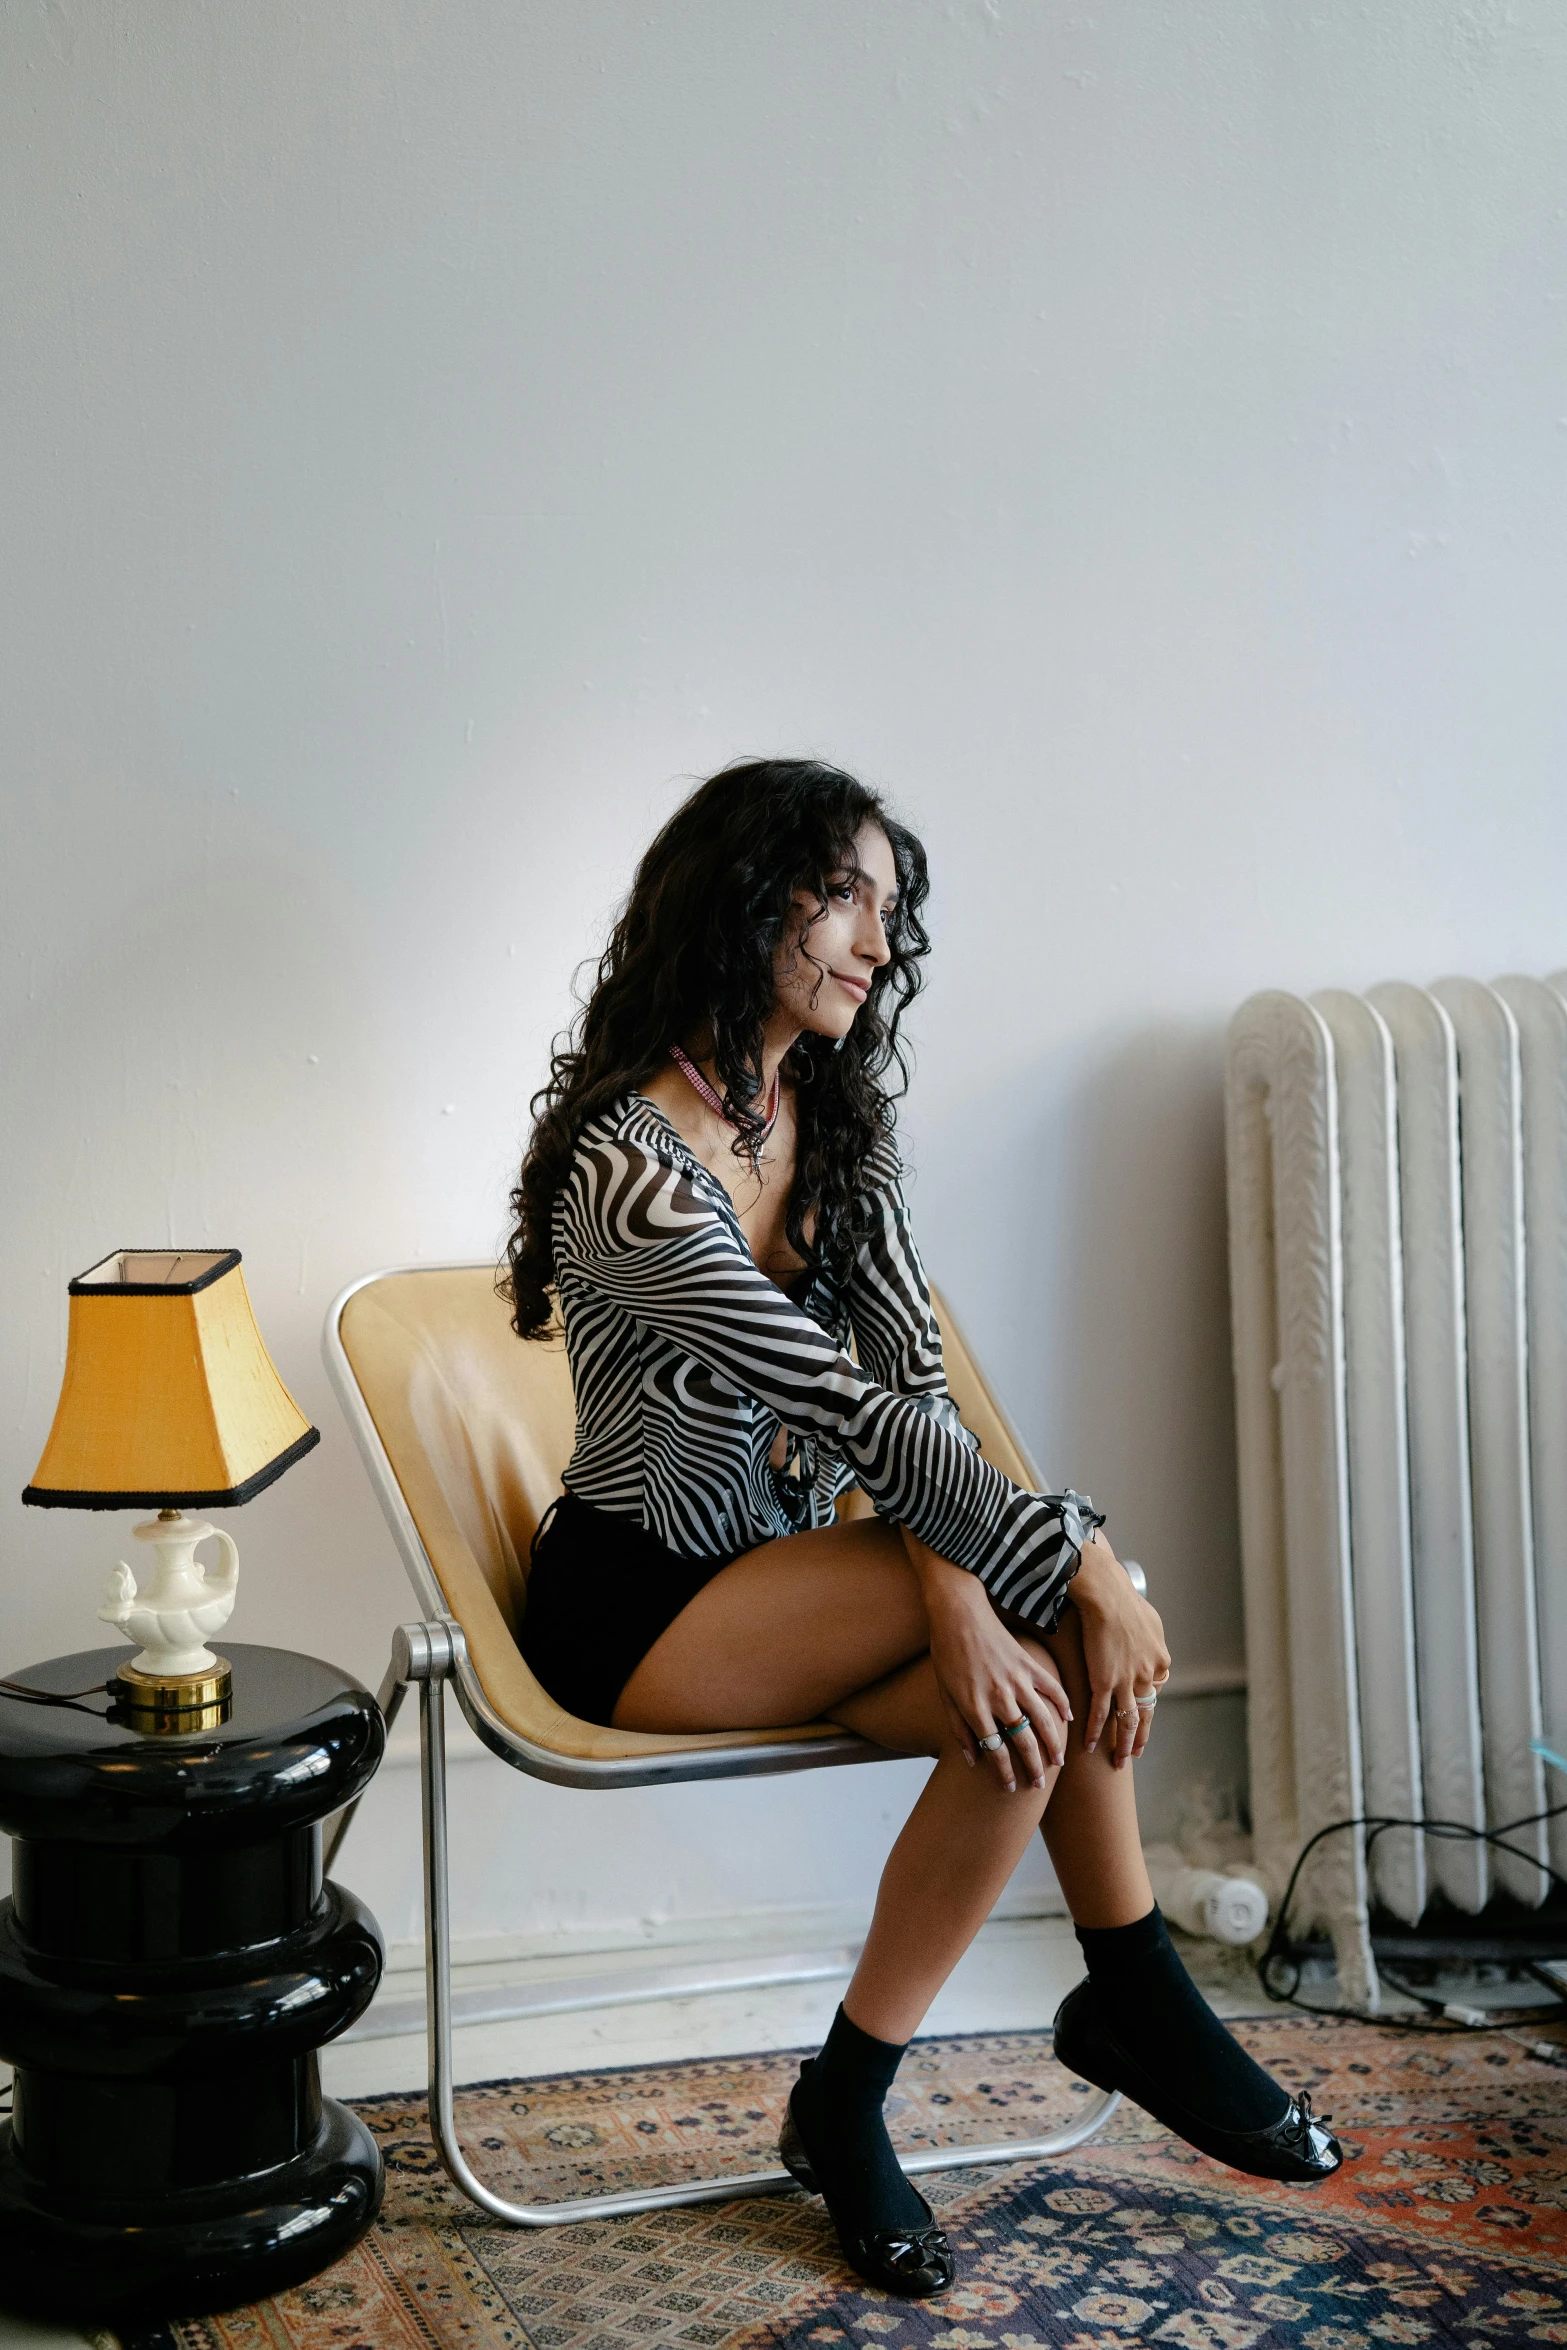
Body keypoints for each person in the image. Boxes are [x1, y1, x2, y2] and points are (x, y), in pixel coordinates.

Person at [505, 759, 1340, 2299]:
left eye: (890, 911)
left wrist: (968, 1589)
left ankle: (853, 2097)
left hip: (799, 1573)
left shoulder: (825, 1116)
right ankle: (1135, 1987)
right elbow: (844, 1408)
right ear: (745, 899)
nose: (877, 944)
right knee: (1076, 1611)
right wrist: (1083, 1554)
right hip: (640, 1601)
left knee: (1030, 1688)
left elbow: (909, 1369)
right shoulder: (630, 1168)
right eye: (844, 899)